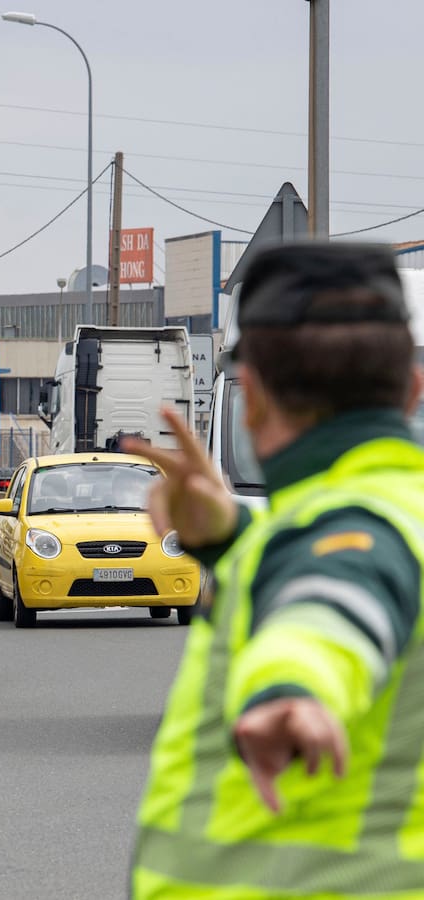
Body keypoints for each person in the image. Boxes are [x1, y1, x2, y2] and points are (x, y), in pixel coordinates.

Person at [123, 242, 424, 899]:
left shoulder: (351, 531)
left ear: (250, 397)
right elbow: (321, 559)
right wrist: (229, 536)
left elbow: (337, 594)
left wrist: (293, 687)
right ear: (413, 388)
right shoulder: (397, 511)